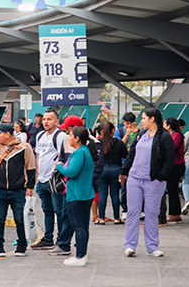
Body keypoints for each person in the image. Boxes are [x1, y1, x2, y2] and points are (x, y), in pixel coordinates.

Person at [119, 108, 175, 258]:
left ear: (152, 119)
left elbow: (170, 160)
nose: (141, 121)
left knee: (151, 213)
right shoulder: (141, 134)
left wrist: (160, 177)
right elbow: (132, 154)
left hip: (153, 181)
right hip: (135, 179)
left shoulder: (164, 137)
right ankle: (129, 245)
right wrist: (124, 172)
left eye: (144, 118)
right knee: (132, 212)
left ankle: (152, 247)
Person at [0, 123, 36, 257]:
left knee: (20, 219)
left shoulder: (24, 147)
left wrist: (29, 188)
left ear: (7, 134)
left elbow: (31, 169)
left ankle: (21, 245)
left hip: (19, 190)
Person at [55, 126, 95, 266]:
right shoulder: (85, 151)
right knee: (83, 226)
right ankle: (81, 254)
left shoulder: (79, 153)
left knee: (78, 226)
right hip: (84, 193)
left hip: (77, 194)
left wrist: (59, 166)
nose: (69, 138)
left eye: (71, 135)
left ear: (77, 138)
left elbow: (71, 172)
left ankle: (80, 256)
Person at [31, 109, 67, 252]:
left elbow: (61, 156)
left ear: (57, 122)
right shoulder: (40, 135)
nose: (45, 121)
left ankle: (61, 239)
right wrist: (39, 175)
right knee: (47, 210)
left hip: (54, 180)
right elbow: (39, 155)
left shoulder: (60, 136)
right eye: (44, 119)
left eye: (49, 119)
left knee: (59, 210)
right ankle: (47, 238)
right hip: (42, 180)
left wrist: (55, 174)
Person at [96, 122, 128, 225]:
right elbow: (125, 155)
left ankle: (101, 218)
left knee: (102, 194)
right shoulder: (119, 143)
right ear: (112, 131)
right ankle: (117, 218)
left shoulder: (98, 142)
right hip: (116, 169)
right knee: (115, 194)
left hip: (102, 170)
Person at [115, 112, 140, 221]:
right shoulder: (119, 132)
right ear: (123, 122)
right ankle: (125, 209)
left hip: (136, 162)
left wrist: (135, 133)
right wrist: (127, 134)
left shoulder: (139, 132)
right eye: (126, 123)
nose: (128, 126)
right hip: (123, 162)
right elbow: (118, 145)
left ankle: (139, 209)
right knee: (124, 187)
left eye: (131, 123)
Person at [162, 117, 185, 224]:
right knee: (173, 190)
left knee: (172, 190)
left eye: (164, 124)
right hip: (175, 165)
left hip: (176, 165)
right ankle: (175, 213)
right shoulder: (174, 135)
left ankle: (173, 214)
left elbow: (171, 148)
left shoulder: (176, 135)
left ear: (168, 126)